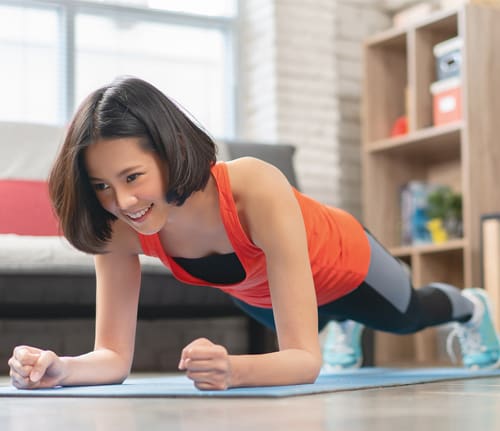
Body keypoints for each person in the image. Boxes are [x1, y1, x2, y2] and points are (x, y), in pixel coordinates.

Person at [8, 76, 500, 391]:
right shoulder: (117, 227)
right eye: (102, 186)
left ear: (171, 150)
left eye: (133, 177)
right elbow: (113, 357)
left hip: (346, 265)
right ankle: (340, 324)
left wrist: (234, 369)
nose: (122, 202)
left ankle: (470, 306)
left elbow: (304, 362)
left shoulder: (252, 185)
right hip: (259, 293)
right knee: (304, 320)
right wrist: (62, 369)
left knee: (409, 314)